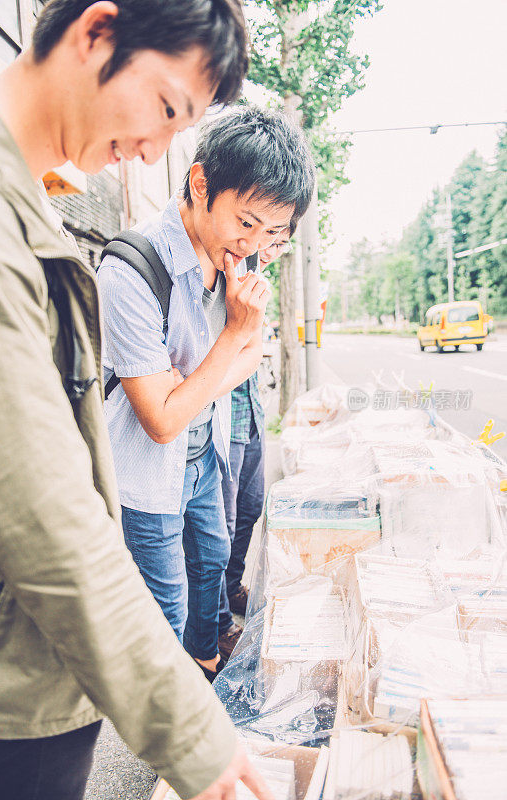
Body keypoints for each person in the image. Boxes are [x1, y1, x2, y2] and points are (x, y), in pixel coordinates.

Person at [0, 2, 274, 799]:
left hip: (34, 664)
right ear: (96, 32)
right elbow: (46, 517)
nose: (155, 147)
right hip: (1, 696)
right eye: (166, 109)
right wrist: (192, 732)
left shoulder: (24, 202)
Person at [98, 107, 315, 681]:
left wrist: (191, 384)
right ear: (200, 184)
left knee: (214, 567)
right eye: (246, 223)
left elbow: (250, 360)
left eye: (272, 234)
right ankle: (172, 743)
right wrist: (235, 338)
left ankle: (205, 666)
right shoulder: (131, 269)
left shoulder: (233, 262)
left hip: (205, 456)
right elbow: (162, 423)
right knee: (164, 612)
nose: (254, 248)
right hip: (147, 478)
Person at [217, 226, 294, 660]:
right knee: (219, 529)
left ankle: (232, 588)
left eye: (282, 244)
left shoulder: (256, 280)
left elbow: (254, 350)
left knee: (249, 510)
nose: (271, 251)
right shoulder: (228, 273)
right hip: (221, 420)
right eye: (270, 238)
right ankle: (218, 623)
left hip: (250, 413)